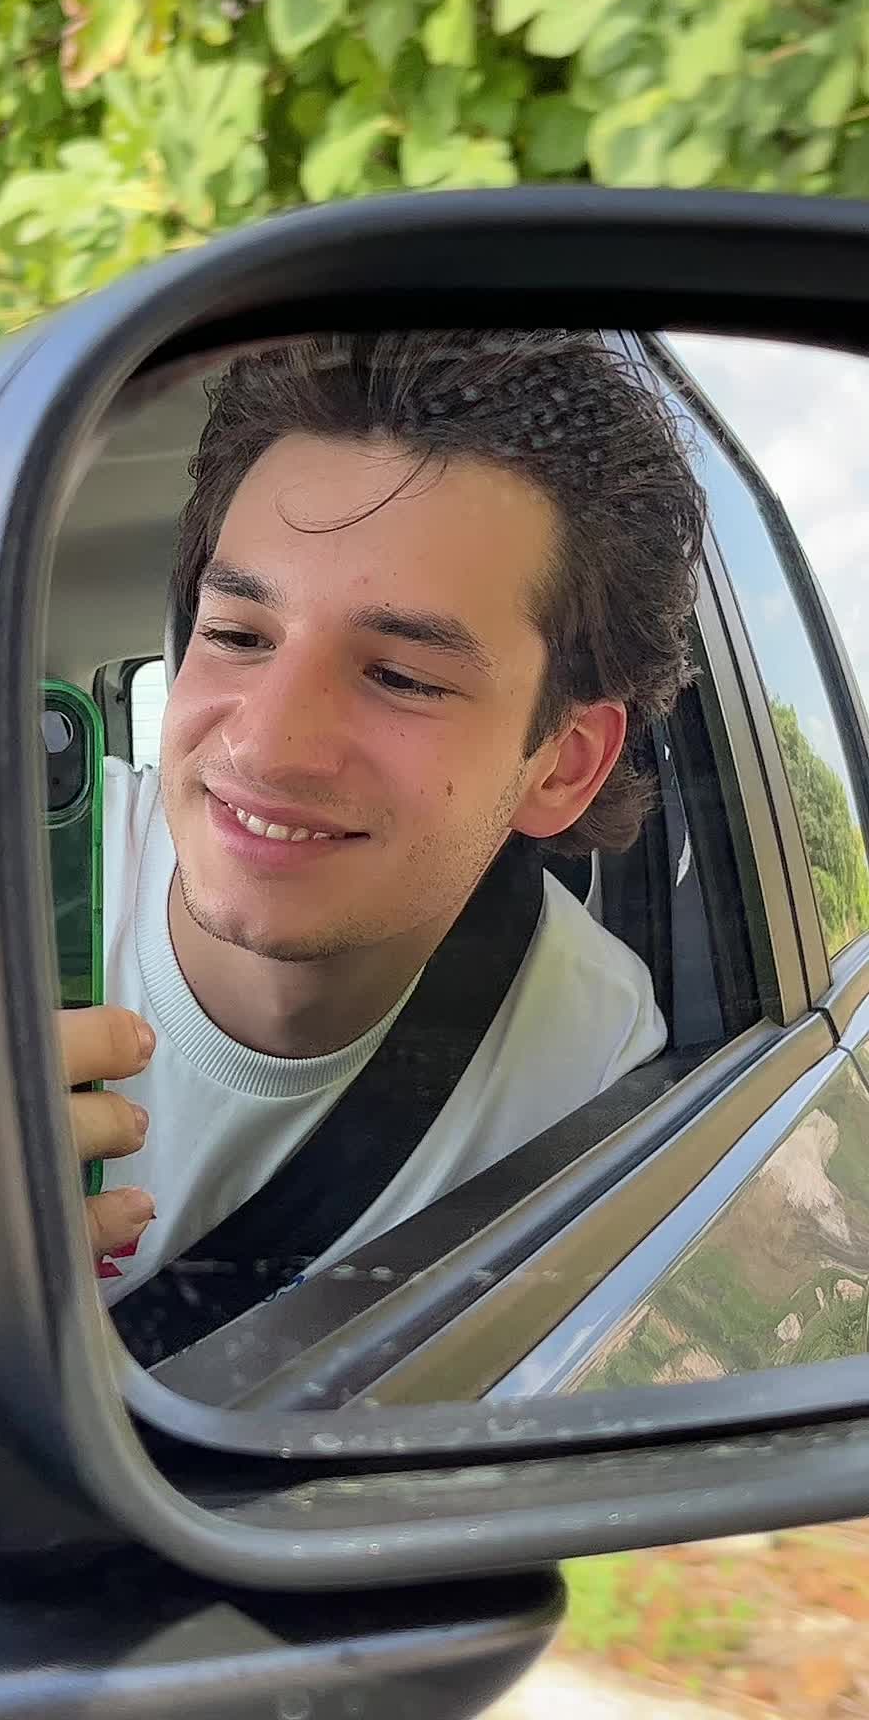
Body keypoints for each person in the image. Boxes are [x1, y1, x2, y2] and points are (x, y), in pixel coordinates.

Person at [62, 329, 707, 1310]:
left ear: (563, 764)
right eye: (237, 635)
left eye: (404, 677)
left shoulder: (591, 1052)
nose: (267, 748)